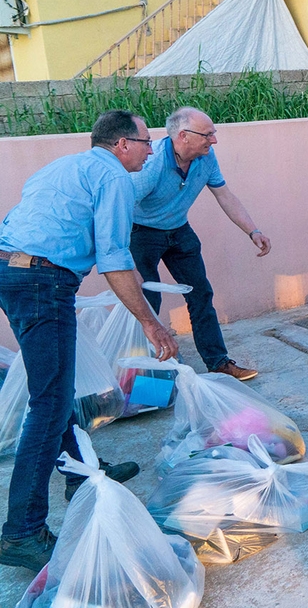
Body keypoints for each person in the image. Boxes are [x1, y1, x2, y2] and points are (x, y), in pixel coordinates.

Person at [0, 110, 179, 571]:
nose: (151, 149)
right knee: (51, 403)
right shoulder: (115, 179)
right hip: (42, 282)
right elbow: (114, 257)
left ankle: (83, 475)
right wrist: (150, 324)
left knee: (52, 392)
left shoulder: (65, 166)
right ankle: (21, 532)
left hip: (11, 270)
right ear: (122, 144)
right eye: (146, 141)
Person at [129, 107, 270, 381]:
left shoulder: (205, 157)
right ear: (183, 136)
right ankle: (142, 373)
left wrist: (252, 231)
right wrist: (120, 258)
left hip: (178, 230)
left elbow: (225, 195)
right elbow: (119, 208)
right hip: (141, 232)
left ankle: (218, 363)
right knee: (147, 298)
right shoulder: (152, 163)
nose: (214, 140)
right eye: (208, 134)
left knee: (200, 294)